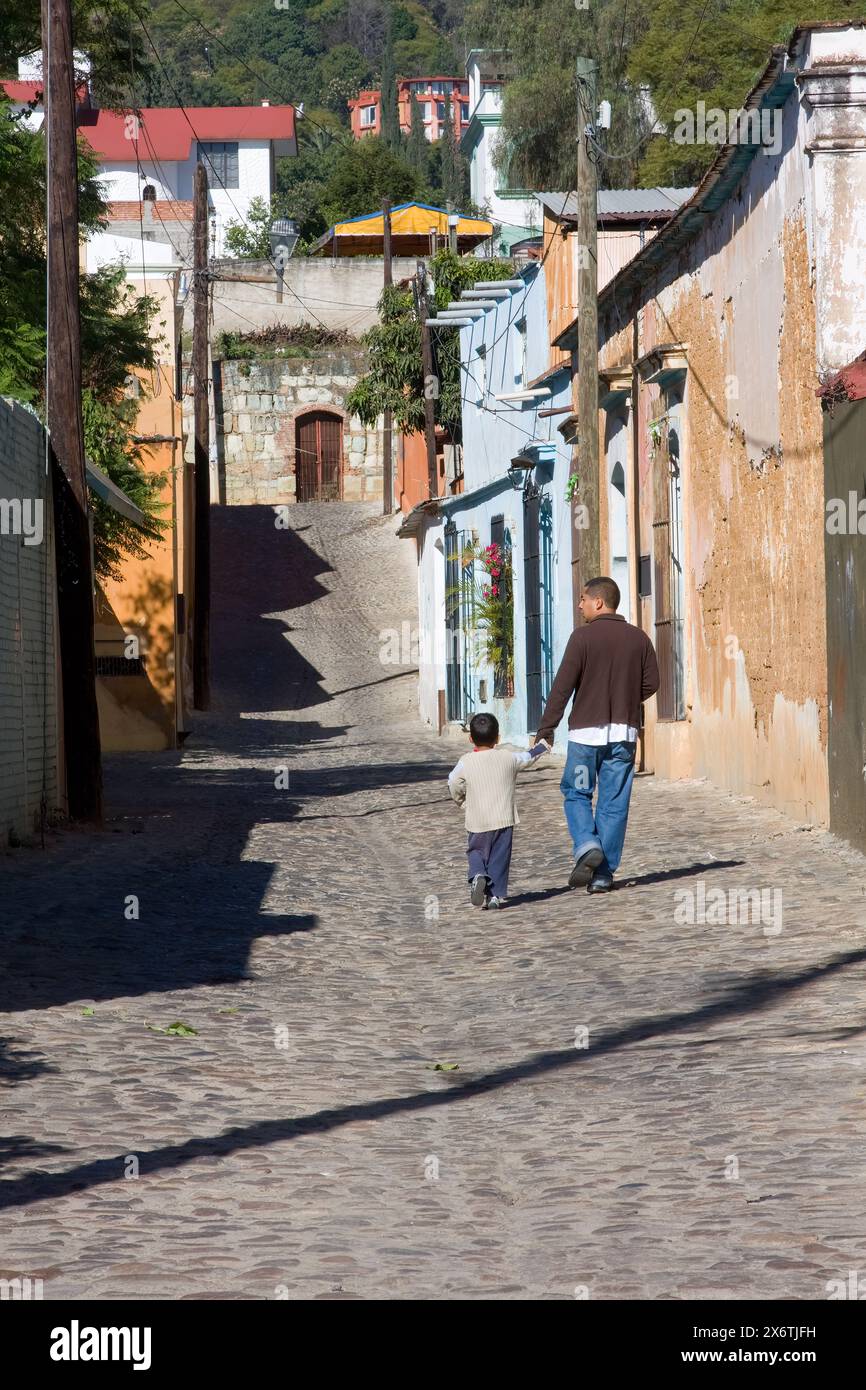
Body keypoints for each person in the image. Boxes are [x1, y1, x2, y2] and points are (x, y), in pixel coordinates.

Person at [535, 576, 660, 894]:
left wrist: (546, 729)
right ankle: (603, 875)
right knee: (614, 801)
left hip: (584, 741)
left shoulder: (582, 639)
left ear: (599, 602)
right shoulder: (639, 639)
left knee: (577, 792)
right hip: (623, 737)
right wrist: (626, 700)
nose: (579, 605)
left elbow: (562, 687)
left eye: (583, 599)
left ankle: (587, 844)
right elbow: (652, 683)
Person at [448, 712, 548, 909]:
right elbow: (527, 757)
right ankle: (494, 897)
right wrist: (542, 747)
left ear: (470, 739)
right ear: (498, 738)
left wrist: (461, 801)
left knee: (476, 851)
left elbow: (453, 781)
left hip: (477, 820)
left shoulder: (466, 761)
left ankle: (477, 875)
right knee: (499, 857)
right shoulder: (507, 757)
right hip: (504, 819)